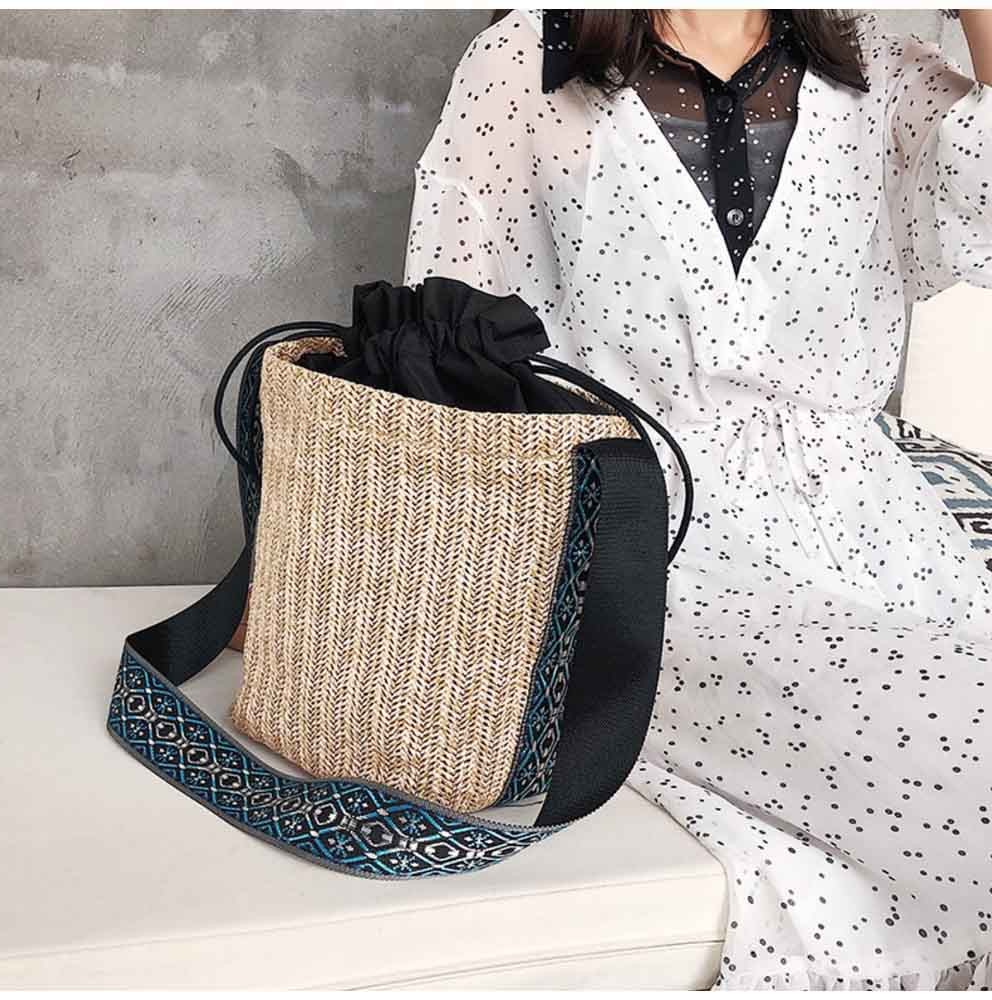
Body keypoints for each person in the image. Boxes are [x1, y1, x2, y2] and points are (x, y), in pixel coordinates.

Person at [402, 8, 992, 991]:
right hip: (658, 550)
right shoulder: (528, 60)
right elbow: (446, 353)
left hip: (889, 541)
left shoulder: (881, 71)